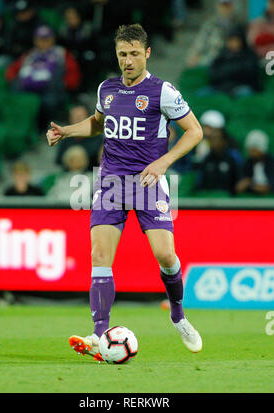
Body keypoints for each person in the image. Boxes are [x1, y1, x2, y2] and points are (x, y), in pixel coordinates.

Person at [46, 24, 203, 361]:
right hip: (111, 183)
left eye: (134, 54)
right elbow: (99, 123)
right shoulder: (108, 88)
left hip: (148, 183)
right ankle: (99, 337)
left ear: (147, 53)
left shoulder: (163, 91)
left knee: (165, 256)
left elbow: (194, 132)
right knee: (100, 257)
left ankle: (178, 316)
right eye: (122, 54)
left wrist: (163, 163)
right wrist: (67, 131)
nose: (128, 61)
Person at [6, 25, 81, 131]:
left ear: (52, 39)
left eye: (46, 39)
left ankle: (43, 131)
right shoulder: (30, 54)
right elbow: (12, 71)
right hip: (28, 90)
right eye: (40, 39)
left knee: (47, 102)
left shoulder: (61, 53)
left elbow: (73, 75)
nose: (43, 42)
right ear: (35, 41)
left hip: (51, 92)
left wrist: (64, 84)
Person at [186, 0, 242, 68]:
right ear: (218, 7)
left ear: (232, 7)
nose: (225, 9)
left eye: (228, 6)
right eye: (223, 6)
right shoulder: (209, 24)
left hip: (231, 60)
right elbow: (199, 44)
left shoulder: (238, 25)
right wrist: (193, 55)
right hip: (210, 60)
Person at [209, 26, 261, 96]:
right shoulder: (222, 55)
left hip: (241, 87)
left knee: (244, 92)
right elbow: (213, 75)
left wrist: (228, 70)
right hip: (222, 88)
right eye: (231, 40)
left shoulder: (249, 55)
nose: (233, 43)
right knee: (203, 93)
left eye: (236, 40)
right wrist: (233, 70)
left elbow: (250, 74)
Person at [235, 130, 274, 195]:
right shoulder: (247, 163)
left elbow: (269, 186)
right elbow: (240, 186)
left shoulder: (271, 163)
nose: (251, 153)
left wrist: (266, 188)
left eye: (254, 149)